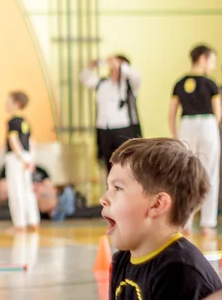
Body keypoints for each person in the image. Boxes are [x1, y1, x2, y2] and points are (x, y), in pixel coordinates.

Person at [102, 138, 222, 300]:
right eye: (107, 187)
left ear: (157, 204)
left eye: (118, 188)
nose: (103, 199)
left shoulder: (179, 274)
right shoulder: (121, 261)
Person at [169, 45, 221, 237]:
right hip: (207, 124)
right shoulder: (211, 83)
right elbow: (218, 112)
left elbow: (172, 113)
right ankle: (208, 223)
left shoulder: (179, 83)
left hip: (186, 125)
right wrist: (212, 130)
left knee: (186, 173)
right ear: (202, 59)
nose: (213, 66)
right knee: (209, 172)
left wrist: (175, 134)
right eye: (212, 61)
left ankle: (186, 222)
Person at [80, 55, 142, 173]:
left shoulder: (130, 84)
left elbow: (137, 75)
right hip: (104, 129)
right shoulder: (102, 83)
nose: (113, 67)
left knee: (127, 164)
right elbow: (84, 78)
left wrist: (121, 65)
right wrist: (92, 65)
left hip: (124, 128)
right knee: (109, 164)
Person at [4, 91, 40, 231]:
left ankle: (19, 224)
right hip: (27, 156)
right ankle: (33, 220)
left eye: (9, 101)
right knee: (27, 190)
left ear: (16, 104)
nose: (6, 104)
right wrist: (30, 159)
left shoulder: (12, 121)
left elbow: (13, 141)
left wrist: (20, 157)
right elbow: (31, 141)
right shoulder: (26, 122)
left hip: (15, 158)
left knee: (16, 190)